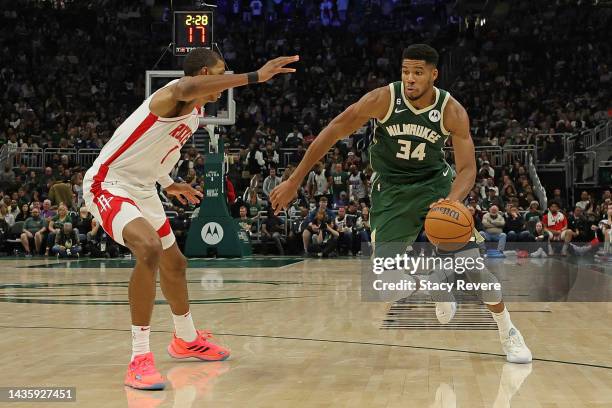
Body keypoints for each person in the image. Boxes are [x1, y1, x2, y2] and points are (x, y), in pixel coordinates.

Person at [270, 44, 531, 363]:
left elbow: (467, 169)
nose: (409, 79)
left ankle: (509, 332)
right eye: (405, 71)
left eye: (418, 73)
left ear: (434, 75)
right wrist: (295, 179)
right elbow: (334, 130)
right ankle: (435, 284)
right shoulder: (382, 99)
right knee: (386, 284)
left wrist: (451, 202)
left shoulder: (452, 111)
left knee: (476, 272)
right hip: (391, 192)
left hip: (435, 185)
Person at [82, 48, 299, 390]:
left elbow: (158, 152)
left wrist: (169, 183)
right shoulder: (172, 95)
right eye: (220, 73)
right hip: (108, 183)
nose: (224, 82)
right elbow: (185, 89)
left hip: (144, 188)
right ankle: (139, 357)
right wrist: (255, 76)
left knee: (176, 264)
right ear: (201, 74)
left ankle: (185, 339)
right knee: (149, 249)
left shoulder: (195, 116)